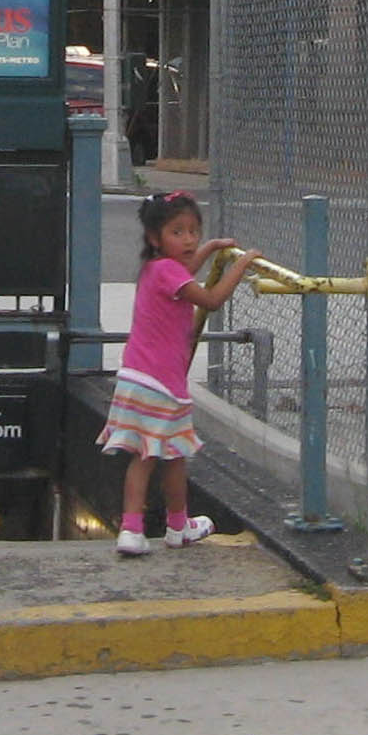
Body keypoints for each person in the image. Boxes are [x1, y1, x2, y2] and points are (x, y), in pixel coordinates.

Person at [99, 192, 259, 555]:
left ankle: (143, 528)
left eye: (194, 231)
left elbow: (185, 274)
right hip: (163, 386)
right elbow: (211, 299)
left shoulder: (155, 268)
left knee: (155, 456)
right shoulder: (169, 272)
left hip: (137, 377)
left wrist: (211, 249)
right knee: (167, 457)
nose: (188, 240)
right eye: (178, 232)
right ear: (155, 237)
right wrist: (242, 264)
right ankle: (167, 526)